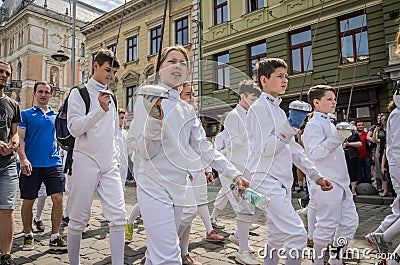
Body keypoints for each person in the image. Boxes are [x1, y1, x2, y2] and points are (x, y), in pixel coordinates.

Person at [130, 45, 249, 265]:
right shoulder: (146, 98)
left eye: (183, 63)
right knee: (168, 256)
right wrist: (154, 122)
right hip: (153, 185)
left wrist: (234, 174)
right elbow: (146, 153)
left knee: (158, 252)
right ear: (159, 68)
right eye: (171, 61)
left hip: (178, 188)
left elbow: (204, 147)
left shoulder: (186, 110)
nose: (177, 66)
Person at [246, 58, 332, 265]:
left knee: (275, 237)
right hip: (266, 180)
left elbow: (293, 149)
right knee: (297, 236)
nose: (285, 80)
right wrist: (291, 126)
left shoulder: (277, 109)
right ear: (264, 80)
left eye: (286, 76)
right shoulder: (258, 109)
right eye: (280, 76)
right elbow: (266, 149)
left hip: (280, 182)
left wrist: (316, 176)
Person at [66, 49, 126, 265]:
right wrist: (99, 110)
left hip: (109, 164)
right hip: (85, 161)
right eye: (108, 70)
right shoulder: (79, 92)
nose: (111, 76)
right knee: (78, 219)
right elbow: (73, 128)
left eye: (114, 72)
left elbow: (114, 134)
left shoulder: (113, 96)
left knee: (119, 216)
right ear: (96, 66)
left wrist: (116, 160)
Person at [302, 85, 359, 265]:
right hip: (327, 181)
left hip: (341, 181)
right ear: (316, 102)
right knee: (326, 225)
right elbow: (315, 153)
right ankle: (317, 261)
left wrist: (339, 136)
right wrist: (337, 137)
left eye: (334, 99)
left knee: (350, 223)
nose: (334, 102)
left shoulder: (328, 122)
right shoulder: (313, 125)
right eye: (329, 99)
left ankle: (335, 259)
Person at [214, 80, 262, 265]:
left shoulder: (252, 115)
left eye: (257, 99)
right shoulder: (234, 116)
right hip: (234, 171)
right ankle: (242, 251)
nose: (254, 102)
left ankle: (238, 236)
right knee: (245, 208)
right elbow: (237, 142)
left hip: (249, 169)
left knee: (259, 205)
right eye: (252, 98)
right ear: (242, 97)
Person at [18, 81, 67, 251]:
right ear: (34, 94)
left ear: (51, 95)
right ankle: (28, 234)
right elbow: (21, 139)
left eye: (47, 92)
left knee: (58, 198)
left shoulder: (55, 115)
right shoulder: (25, 114)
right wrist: (23, 159)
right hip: (32, 164)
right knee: (28, 201)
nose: (43, 94)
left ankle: (55, 235)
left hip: (53, 163)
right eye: (40, 91)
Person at [0, 61, 20, 265]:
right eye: (1, 71)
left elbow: (14, 131)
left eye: (7, 73)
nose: (4, 75)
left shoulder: (13, 104)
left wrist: (15, 142)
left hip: (7, 164)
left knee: (7, 208)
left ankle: (5, 255)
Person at [344, 121, 362, 195]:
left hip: (352, 155)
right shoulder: (342, 135)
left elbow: (359, 143)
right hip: (344, 155)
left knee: (353, 172)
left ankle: (353, 189)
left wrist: (349, 144)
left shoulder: (355, 135)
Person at [356, 121, 371, 188]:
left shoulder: (367, 134)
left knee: (367, 172)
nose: (361, 126)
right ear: (356, 126)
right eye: (359, 125)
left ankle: (369, 186)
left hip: (366, 156)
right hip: (357, 156)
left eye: (362, 125)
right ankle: (360, 187)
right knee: (359, 172)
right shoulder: (354, 135)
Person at [117, 108, 129, 190]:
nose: (124, 120)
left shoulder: (125, 133)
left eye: (124, 118)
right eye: (121, 118)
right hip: (116, 167)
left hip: (124, 167)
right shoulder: (113, 133)